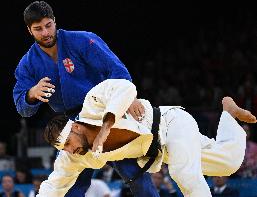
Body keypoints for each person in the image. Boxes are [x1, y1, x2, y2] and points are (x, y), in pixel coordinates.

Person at [13, 1, 159, 197]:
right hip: (71, 123)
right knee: (72, 182)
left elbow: (115, 69)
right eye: (38, 29)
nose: (45, 32)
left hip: (103, 111)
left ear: (55, 21)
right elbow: (22, 107)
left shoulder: (82, 40)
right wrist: (31, 94)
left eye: (48, 25)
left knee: (134, 171)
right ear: (29, 30)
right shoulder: (28, 63)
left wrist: (127, 97)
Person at [37, 79, 256, 197]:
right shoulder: (75, 157)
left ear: (75, 127)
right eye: (62, 148)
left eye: (67, 143)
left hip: (171, 123)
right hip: (162, 150)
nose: (67, 150)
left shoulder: (92, 105)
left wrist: (105, 127)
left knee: (184, 175)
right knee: (228, 163)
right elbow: (53, 187)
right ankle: (229, 113)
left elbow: (125, 87)